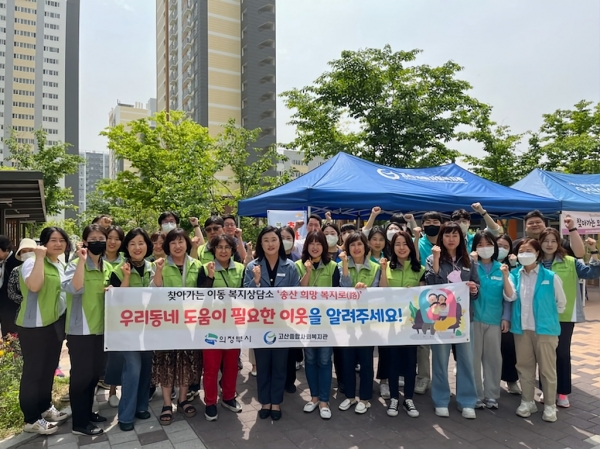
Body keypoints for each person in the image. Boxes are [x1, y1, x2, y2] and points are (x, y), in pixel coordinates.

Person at [17, 227, 71, 435]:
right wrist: (39, 257)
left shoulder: (60, 264)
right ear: (44, 243)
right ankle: (31, 419)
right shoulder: (32, 261)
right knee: (34, 371)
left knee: (48, 368)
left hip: (54, 323)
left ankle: (45, 407)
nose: (58, 244)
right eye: (53, 240)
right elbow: (34, 286)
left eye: (62, 240)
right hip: (34, 325)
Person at [244, 226, 301, 421]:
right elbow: (246, 297)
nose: (270, 244)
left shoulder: (290, 266)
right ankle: (265, 402)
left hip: (282, 324)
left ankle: (276, 402)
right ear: (260, 243)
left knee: (279, 365)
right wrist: (256, 282)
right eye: (266, 240)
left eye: (274, 240)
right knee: (263, 365)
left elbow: (295, 295)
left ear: (280, 242)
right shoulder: (252, 267)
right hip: (260, 324)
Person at [538, 227, 600, 408]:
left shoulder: (570, 261)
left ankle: (563, 392)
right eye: (545, 240)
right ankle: (546, 389)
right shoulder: (534, 262)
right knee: (544, 355)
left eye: (553, 240)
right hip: (540, 316)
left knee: (562, 353)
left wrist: (593, 251)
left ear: (559, 243)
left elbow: (593, 273)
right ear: (540, 242)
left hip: (564, 316)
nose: (549, 244)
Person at [506, 238, 566, 423]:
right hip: (522, 330)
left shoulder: (550, 276)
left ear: (538, 253)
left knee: (547, 370)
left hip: (545, 331)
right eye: (521, 251)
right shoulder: (514, 275)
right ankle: (527, 402)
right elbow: (510, 296)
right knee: (524, 368)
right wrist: (505, 276)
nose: (525, 254)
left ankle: (550, 405)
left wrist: (547, 317)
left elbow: (561, 303)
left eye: (529, 251)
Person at [425, 222, 480, 419]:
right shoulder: (432, 258)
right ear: (441, 238)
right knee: (440, 360)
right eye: (447, 235)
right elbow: (431, 284)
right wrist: (436, 259)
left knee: (466, 359)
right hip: (440, 319)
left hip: (464, 318)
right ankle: (441, 400)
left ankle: (467, 401)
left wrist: (473, 289)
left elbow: (477, 289)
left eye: (455, 235)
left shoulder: (469, 261)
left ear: (461, 238)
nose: (451, 239)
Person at [62, 224, 112, 435]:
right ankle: (80, 423)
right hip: (80, 330)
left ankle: (87, 412)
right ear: (85, 242)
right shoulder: (75, 264)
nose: (97, 242)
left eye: (101, 238)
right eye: (93, 238)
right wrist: (82, 261)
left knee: (93, 375)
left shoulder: (106, 266)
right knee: (81, 377)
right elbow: (73, 288)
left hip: (101, 329)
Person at [151, 228, 203, 425]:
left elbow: (204, 292)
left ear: (187, 244)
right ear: (167, 246)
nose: (177, 246)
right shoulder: (160, 264)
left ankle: (182, 400)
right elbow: (154, 290)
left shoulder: (197, 265)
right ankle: (167, 403)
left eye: (181, 241)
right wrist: (158, 270)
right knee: (166, 362)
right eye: (173, 242)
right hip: (167, 322)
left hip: (190, 323)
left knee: (186, 361)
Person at [105, 228, 155, 431]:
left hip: (149, 328)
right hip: (127, 330)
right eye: (132, 243)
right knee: (132, 369)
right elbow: (118, 301)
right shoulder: (118, 270)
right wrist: (126, 277)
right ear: (126, 247)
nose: (137, 247)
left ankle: (141, 406)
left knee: (146, 367)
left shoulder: (154, 267)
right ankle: (125, 415)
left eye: (141, 243)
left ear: (147, 246)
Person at [197, 234, 245, 421]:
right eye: (219, 247)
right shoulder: (204, 268)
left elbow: (246, 295)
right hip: (211, 326)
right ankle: (210, 402)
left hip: (234, 325)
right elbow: (199, 297)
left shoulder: (241, 268)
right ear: (213, 250)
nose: (223, 250)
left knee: (232, 365)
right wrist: (210, 277)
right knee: (211, 367)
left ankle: (228, 397)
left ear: (232, 250)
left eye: (227, 247)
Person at [379, 230, 424, 418]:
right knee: (393, 360)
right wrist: (383, 270)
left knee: (411, 362)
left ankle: (409, 399)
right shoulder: (386, 267)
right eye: (397, 244)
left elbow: (424, 295)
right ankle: (394, 398)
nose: (401, 247)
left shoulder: (420, 269)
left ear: (411, 247)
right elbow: (382, 291)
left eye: (405, 244)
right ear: (392, 247)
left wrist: (414, 291)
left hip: (412, 324)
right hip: (391, 323)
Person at [295, 231, 340, 420]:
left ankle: (324, 400)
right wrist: (307, 272)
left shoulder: (333, 266)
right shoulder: (298, 265)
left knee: (324, 360)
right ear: (306, 246)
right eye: (311, 243)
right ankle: (314, 397)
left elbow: (338, 294)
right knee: (310, 359)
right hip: (305, 322)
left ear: (324, 246)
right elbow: (297, 292)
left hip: (326, 322)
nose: (315, 247)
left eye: (318, 243)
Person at [470, 230, 515, 410]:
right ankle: (475, 394)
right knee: (473, 359)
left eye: (488, 244)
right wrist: (472, 263)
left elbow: (508, 296)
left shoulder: (501, 268)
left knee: (493, 359)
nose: (484, 248)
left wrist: (506, 317)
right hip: (473, 319)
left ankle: (491, 395)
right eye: (480, 245)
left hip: (494, 320)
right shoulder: (471, 266)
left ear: (494, 247)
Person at [338, 232, 380, 414]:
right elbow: (343, 288)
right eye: (352, 245)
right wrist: (345, 266)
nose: (356, 248)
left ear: (365, 246)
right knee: (347, 359)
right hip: (346, 319)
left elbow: (378, 292)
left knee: (366, 360)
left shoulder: (376, 267)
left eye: (359, 244)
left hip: (367, 320)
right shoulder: (340, 265)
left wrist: (366, 290)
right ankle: (349, 396)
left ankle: (365, 398)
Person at [415, 211, 443, 396]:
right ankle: (423, 377)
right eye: (428, 222)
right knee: (423, 340)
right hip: (423, 294)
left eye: (435, 221)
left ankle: (441, 380)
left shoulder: (447, 240)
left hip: (446, 296)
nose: (431, 224)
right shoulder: (418, 242)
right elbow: (414, 260)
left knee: (442, 340)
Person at [496, 233, 521, 395]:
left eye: (506, 247)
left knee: (508, 348)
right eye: (499, 245)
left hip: (506, 316)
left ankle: (511, 380)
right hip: (485, 315)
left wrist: (506, 317)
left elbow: (510, 297)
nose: (502, 249)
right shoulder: (482, 264)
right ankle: (489, 380)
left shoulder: (511, 267)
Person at [517, 210, 585, 258]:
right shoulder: (519, 244)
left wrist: (571, 228)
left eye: (538, 222)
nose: (535, 225)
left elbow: (579, 254)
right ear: (525, 227)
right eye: (530, 223)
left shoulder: (557, 241)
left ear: (544, 224)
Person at [0, 235, 22, 336]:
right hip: (2, 304)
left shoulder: (17, 262)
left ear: (6, 249)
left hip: (11, 306)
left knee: (11, 335)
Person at [6, 239, 37, 307]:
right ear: (20, 254)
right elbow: (11, 293)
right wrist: (26, 300)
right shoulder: (16, 271)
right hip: (23, 308)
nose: (27, 253)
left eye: (30, 250)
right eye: (24, 251)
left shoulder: (45, 268)